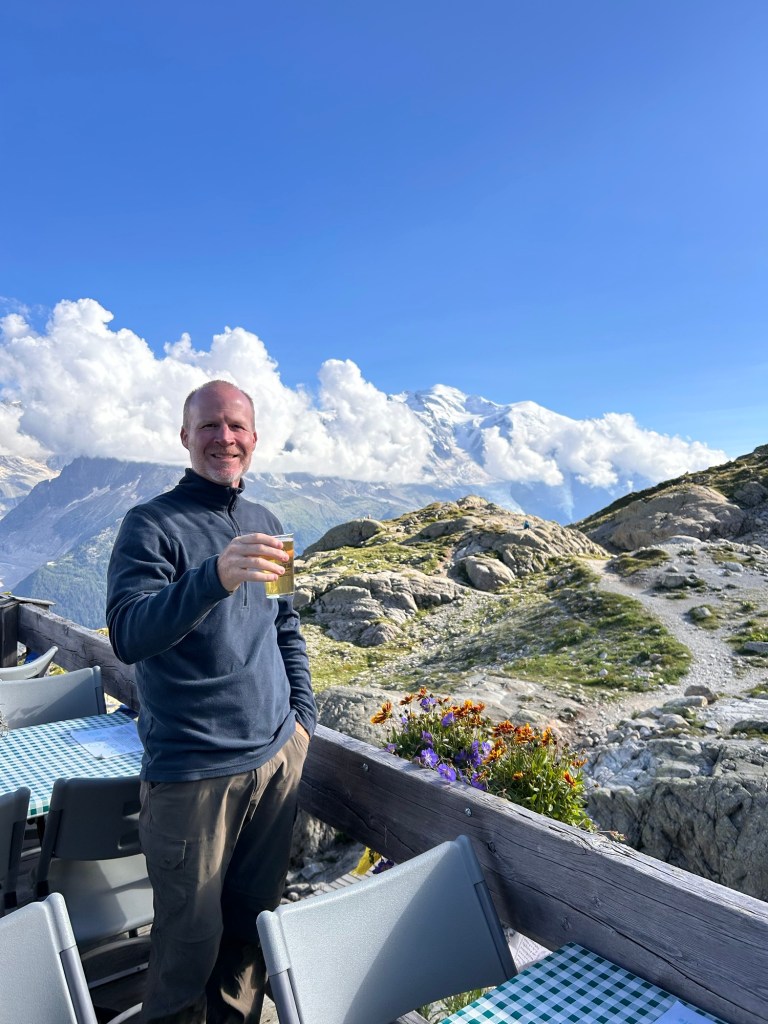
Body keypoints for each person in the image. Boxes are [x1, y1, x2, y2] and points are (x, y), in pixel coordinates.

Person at [106, 379, 316, 1023]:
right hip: (192, 773)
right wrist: (212, 578)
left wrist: (301, 721)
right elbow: (128, 634)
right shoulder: (150, 524)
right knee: (185, 952)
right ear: (185, 436)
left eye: (236, 426)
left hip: (275, 760)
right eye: (208, 426)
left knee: (250, 937)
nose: (224, 438)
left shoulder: (268, 524)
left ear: (254, 437)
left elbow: (284, 624)